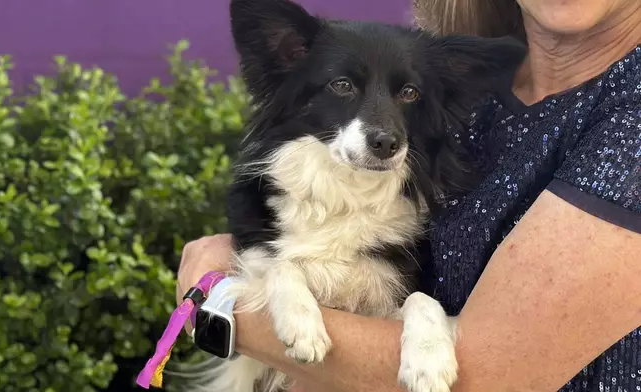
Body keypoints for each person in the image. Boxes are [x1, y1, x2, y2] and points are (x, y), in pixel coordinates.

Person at [176, 0, 641, 391]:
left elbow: (488, 376)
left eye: (407, 94)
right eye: (344, 86)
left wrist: (218, 302)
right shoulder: (473, 93)